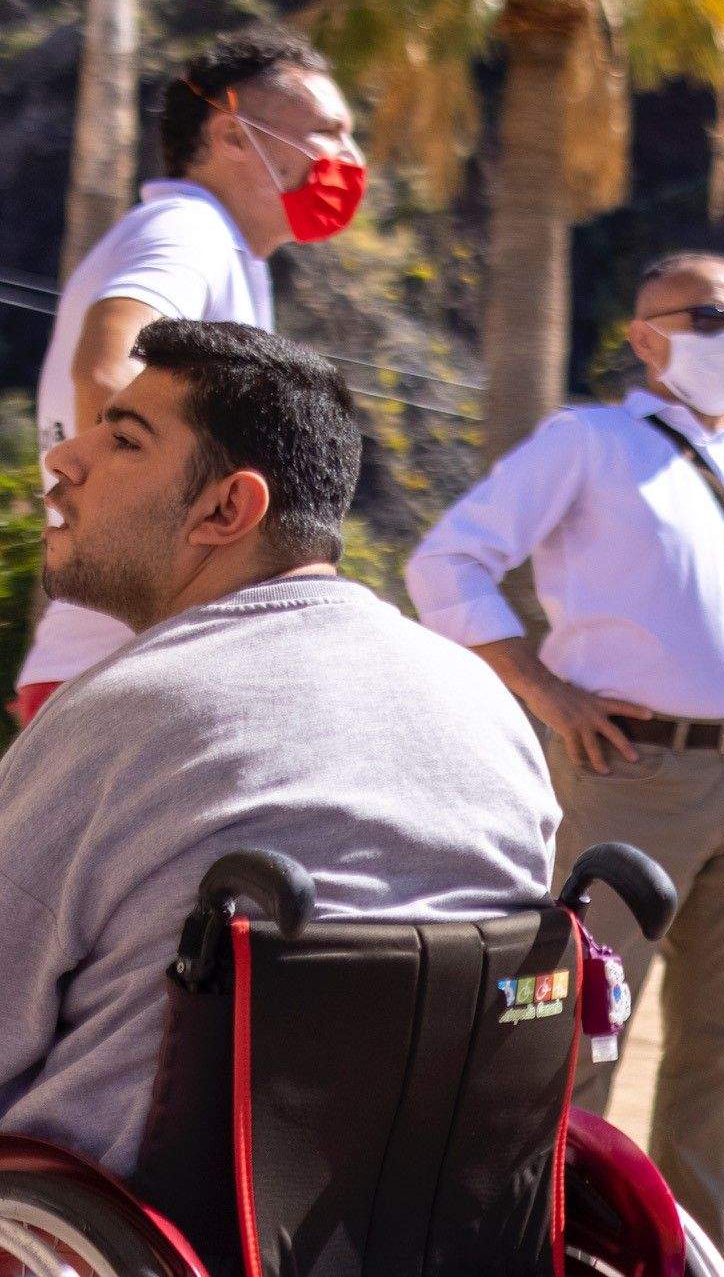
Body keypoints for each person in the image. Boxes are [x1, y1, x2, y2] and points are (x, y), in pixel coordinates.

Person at [0, 321, 556, 1178]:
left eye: (121, 438)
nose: (65, 460)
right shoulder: (483, 701)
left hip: (122, 1233)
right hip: (429, 1223)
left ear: (227, 508)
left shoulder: (127, 713)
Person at [402, 251, 724, 1242]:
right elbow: (446, 560)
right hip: (627, 772)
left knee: (720, 1043)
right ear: (644, 335)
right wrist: (543, 690)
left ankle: (684, 1250)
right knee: (581, 1034)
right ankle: (543, 1243)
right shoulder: (589, 442)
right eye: (708, 315)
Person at [20, 26, 366, 723]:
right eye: (328, 132)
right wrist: (178, 579)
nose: (350, 158)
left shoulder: (223, 247)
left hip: (121, 666)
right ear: (233, 134)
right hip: (134, 669)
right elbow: (106, 365)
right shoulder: (187, 230)